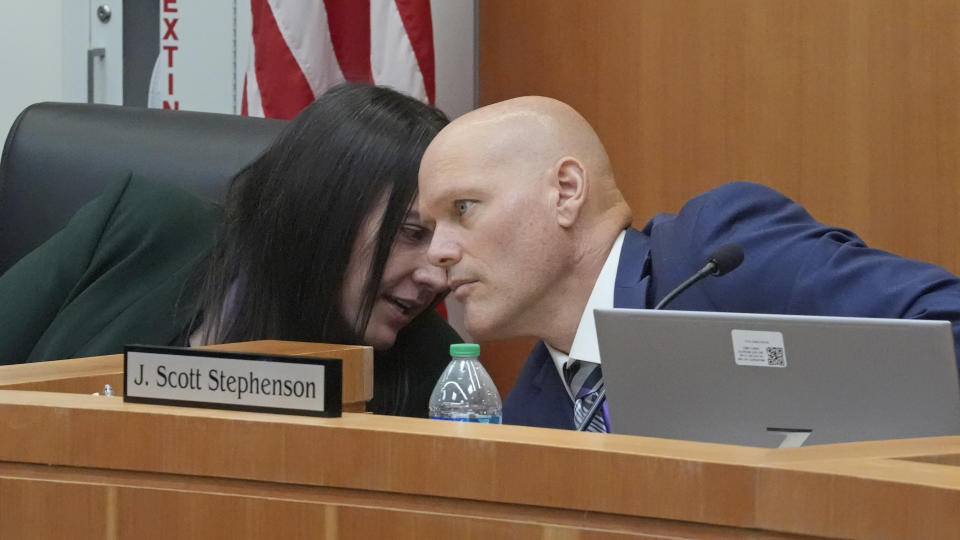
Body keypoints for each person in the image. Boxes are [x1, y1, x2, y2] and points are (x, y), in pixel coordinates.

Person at [417, 95, 960, 431]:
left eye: (463, 208)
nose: (438, 252)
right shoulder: (529, 414)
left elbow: (948, 322)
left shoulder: (717, 253)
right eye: (430, 226)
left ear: (565, 191)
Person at [0, 83, 460, 417]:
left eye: (445, 244)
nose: (436, 277)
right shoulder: (135, 228)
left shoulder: (437, 368)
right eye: (412, 233)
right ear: (325, 212)